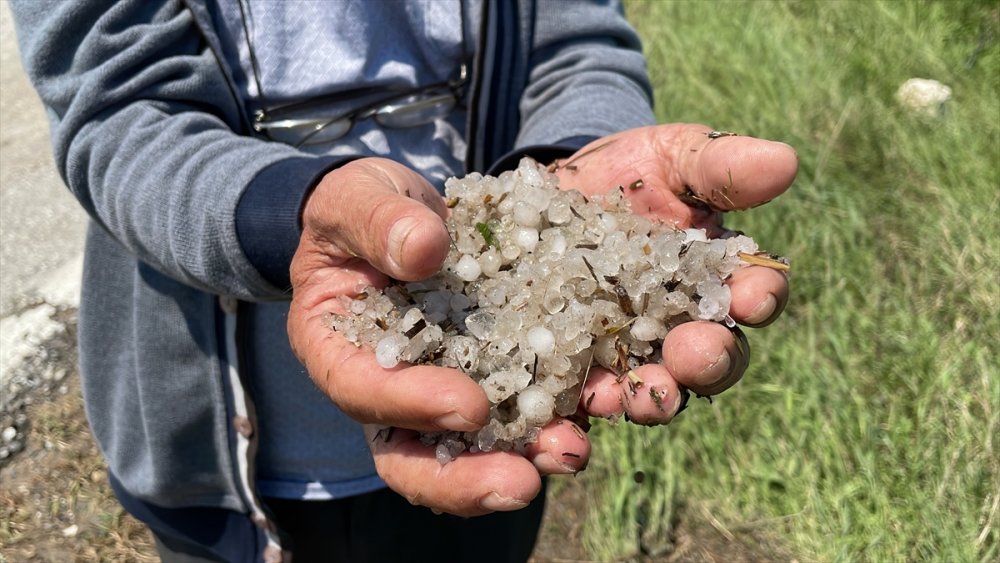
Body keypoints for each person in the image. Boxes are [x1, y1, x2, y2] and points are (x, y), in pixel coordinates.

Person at [11, 1, 796, 561]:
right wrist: (297, 213)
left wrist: (579, 166)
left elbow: (576, 38)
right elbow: (116, 108)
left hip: (497, 430)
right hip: (224, 469)